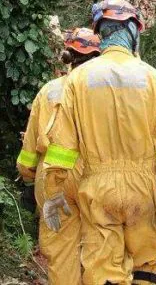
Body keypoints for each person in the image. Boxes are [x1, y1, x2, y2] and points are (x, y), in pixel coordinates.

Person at [42, 0, 156, 285]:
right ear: (134, 30)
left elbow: (62, 145)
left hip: (97, 190)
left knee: (104, 270)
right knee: (147, 262)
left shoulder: (78, 79)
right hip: (142, 190)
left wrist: (54, 189)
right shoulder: (153, 78)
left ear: (100, 32)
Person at [16, 27, 101, 284]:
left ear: (68, 56)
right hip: (95, 175)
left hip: (53, 176)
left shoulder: (49, 91)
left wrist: (28, 174)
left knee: (61, 250)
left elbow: (30, 146)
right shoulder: (105, 94)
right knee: (99, 246)